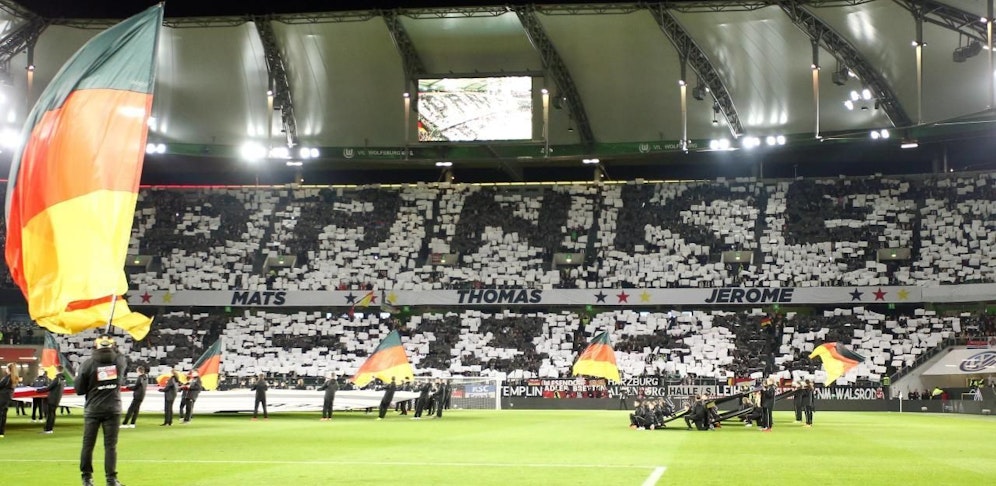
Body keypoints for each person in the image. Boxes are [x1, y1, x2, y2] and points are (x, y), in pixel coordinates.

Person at [75, 334, 127, 486]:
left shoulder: (87, 364)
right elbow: (120, 355)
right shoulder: (119, 361)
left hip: (93, 409)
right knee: (110, 446)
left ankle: (87, 478)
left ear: (95, 346)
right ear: (113, 346)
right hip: (113, 408)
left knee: (88, 445)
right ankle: (111, 479)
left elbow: (79, 390)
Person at [39, 365, 65, 434]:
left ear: (57, 370)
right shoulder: (62, 379)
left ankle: (48, 429)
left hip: (52, 399)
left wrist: (38, 391)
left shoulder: (57, 379)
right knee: (52, 414)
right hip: (57, 399)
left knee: (49, 414)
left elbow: (49, 388)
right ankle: (50, 429)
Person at [0, 362, 20, 438]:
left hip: (2, 397)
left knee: (1, 415)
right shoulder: (14, 378)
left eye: (6, 368)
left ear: (9, 369)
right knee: (3, 415)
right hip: (7, 398)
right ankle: (1, 432)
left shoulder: (7, 378)